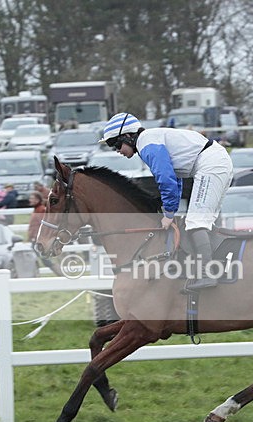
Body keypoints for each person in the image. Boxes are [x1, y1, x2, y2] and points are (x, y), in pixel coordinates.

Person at [100, 112, 233, 290]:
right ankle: (218, 266)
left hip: (211, 164)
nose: (117, 150)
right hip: (215, 162)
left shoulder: (147, 144)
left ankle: (208, 274)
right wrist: (170, 210)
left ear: (128, 136)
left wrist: (169, 213)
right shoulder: (148, 142)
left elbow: (165, 178)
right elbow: (175, 179)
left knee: (196, 222)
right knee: (203, 221)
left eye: (115, 144)